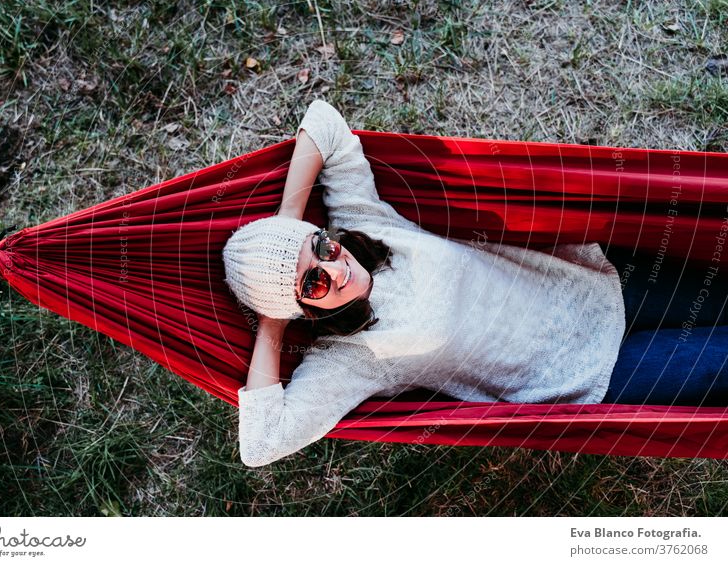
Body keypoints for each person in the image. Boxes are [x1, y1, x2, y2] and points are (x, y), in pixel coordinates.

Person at [221, 99, 728, 468]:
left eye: (322, 248)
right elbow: (262, 445)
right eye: (312, 285)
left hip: (598, 286)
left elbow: (324, 122)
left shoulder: (364, 221)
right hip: (597, 373)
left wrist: (291, 227)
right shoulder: (351, 360)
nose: (334, 268)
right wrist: (273, 324)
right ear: (302, 311)